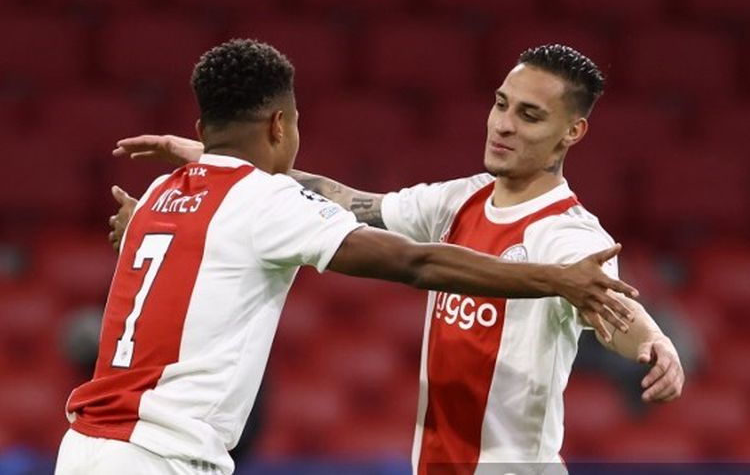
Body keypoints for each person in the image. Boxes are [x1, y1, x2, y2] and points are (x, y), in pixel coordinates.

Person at [56, 39, 638, 475]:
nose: (504, 124)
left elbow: (618, 310)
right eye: (501, 104)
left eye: (528, 114)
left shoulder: (163, 194)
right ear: (281, 125)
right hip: (163, 457)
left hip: (84, 447)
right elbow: (416, 264)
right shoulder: (265, 200)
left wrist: (651, 340)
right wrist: (556, 280)